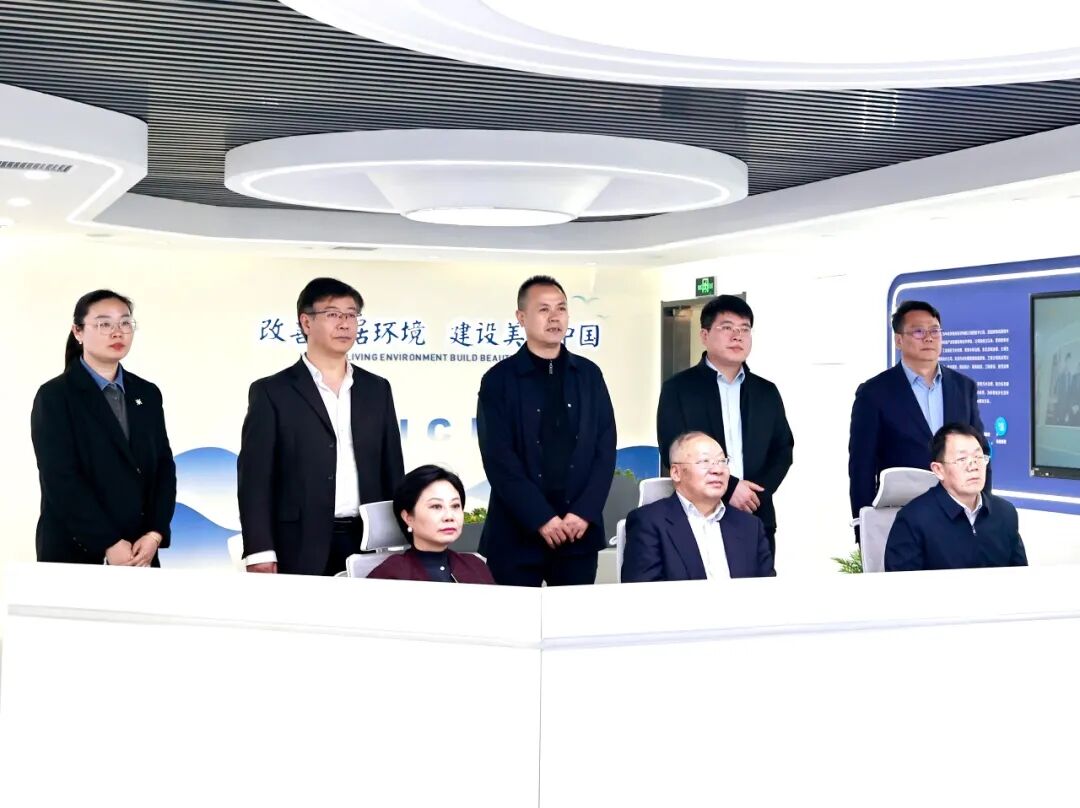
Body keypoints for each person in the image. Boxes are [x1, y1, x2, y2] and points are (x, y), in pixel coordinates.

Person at [237, 277, 404, 575]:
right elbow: (255, 479)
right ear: (306, 322)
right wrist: (259, 550)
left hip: (369, 541)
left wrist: (400, 541)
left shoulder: (377, 389)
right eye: (333, 314)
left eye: (351, 315)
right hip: (297, 543)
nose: (345, 324)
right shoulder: (272, 392)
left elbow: (392, 468)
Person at [476, 275, 616, 587]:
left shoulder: (589, 375)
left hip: (578, 533)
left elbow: (605, 450)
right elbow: (499, 459)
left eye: (561, 308)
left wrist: (584, 513)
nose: (555, 317)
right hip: (516, 534)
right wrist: (541, 518)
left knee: (574, 617)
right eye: (543, 309)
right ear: (521, 317)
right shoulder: (498, 380)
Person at [31, 289, 176, 566]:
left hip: (140, 550)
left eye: (125, 323)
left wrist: (155, 534)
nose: (117, 332)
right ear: (78, 331)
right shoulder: (55, 396)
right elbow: (60, 478)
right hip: (75, 551)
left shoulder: (147, 393)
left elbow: (163, 468)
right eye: (104, 324)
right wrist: (108, 542)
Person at [656, 294, 793, 561]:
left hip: (756, 516)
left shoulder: (766, 392)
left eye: (745, 329)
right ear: (704, 335)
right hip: (697, 515)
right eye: (727, 327)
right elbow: (672, 451)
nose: (737, 336)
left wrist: (754, 494)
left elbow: (783, 450)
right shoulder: (679, 389)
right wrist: (730, 488)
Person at [849, 300, 988, 534]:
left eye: (934, 331)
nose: (929, 338)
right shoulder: (874, 393)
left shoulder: (964, 387)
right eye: (918, 331)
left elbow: (981, 452)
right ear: (899, 340)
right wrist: (863, 528)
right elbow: (861, 467)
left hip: (959, 516)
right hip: (901, 518)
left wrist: (984, 513)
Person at [622, 432, 774, 582]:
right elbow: (642, 593)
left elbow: (769, 591)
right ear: (676, 472)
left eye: (722, 461)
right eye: (704, 461)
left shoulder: (750, 526)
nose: (717, 470)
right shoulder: (649, 523)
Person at [884, 423, 1027, 571]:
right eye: (962, 459)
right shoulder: (913, 519)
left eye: (978, 457)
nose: (973, 466)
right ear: (938, 470)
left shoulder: (1005, 513)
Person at [368, 465, 495, 583]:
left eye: (455, 505)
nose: (449, 516)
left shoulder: (475, 566)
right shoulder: (391, 574)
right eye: (436, 506)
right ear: (408, 517)